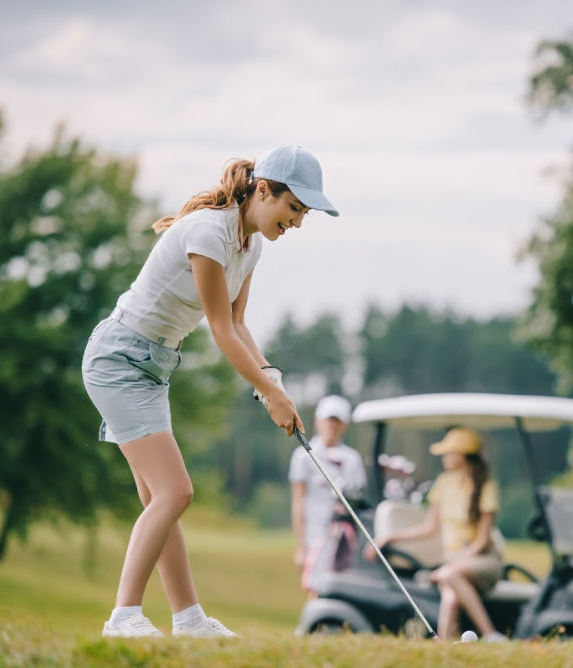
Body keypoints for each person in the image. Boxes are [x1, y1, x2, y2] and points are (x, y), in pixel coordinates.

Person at [81, 145, 339, 638]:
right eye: (294, 209)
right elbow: (220, 331)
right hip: (119, 360)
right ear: (263, 191)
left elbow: (241, 325)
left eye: (304, 214)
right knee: (176, 493)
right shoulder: (208, 233)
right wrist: (270, 393)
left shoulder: (251, 244)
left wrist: (272, 380)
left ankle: (188, 620)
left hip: (153, 366)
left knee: (162, 498)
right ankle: (123, 617)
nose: (298, 223)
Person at [369, 427, 506, 642]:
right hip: (453, 562)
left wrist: (452, 565)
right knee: (450, 596)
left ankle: (491, 634)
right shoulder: (444, 483)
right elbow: (428, 529)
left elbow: (481, 541)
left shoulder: (486, 486)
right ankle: (444, 645)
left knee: (447, 576)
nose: (444, 457)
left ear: (462, 455)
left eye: (449, 453)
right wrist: (389, 538)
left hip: (481, 560)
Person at [289, 394, 366, 591]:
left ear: (345, 425)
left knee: (341, 586)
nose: (332, 426)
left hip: (344, 535)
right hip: (314, 532)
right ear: (318, 421)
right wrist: (300, 546)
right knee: (315, 586)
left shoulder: (352, 458)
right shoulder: (303, 456)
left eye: (337, 421)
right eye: (328, 420)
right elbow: (298, 502)